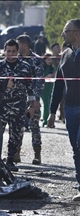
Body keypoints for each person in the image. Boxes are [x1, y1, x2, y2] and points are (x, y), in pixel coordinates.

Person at [0, 39, 36, 172]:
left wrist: (31, 106)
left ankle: (10, 160)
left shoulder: (25, 67)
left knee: (16, 135)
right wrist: (1, 84)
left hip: (19, 105)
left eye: (13, 51)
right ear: (4, 51)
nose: (10, 53)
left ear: (17, 51)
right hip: (1, 105)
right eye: (8, 51)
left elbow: (31, 88)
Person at [48, 18, 80, 202]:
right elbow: (58, 85)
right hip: (70, 109)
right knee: (76, 149)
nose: (63, 34)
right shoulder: (65, 55)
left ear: (76, 33)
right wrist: (52, 111)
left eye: (66, 31)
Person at [16, 34, 45, 165]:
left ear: (25, 45)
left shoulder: (36, 60)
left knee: (34, 126)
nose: (17, 47)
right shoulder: (16, 59)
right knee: (17, 126)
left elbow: (39, 82)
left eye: (19, 44)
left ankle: (37, 154)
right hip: (18, 99)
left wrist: (35, 101)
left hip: (32, 99)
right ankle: (16, 153)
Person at [41, 53, 55, 127]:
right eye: (48, 59)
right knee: (44, 104)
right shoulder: (42, 67)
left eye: (51, 59)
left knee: (48, 104)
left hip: (50, 88)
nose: (50, 61)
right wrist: (46, 77)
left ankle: (48, 121)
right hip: (42, 88)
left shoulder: (52, 68)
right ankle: (44, 120)